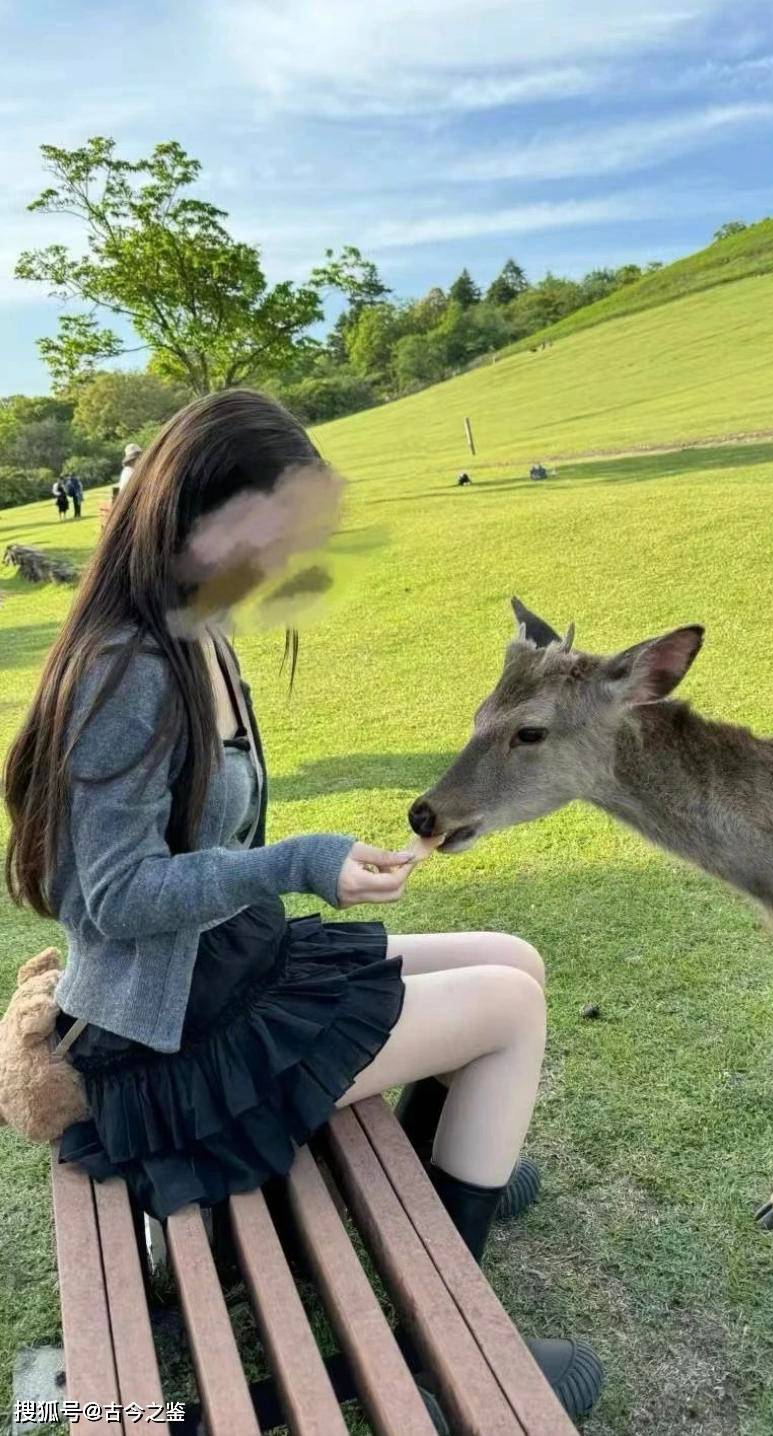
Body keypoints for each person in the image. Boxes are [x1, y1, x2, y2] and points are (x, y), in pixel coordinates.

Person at [2, 389, 601, 1421]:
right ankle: (439, 1345)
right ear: (190, 515)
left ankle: (443, 1172)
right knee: (510, 1011)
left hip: (233, 970)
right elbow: (115, 893)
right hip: (170, 1039)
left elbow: (208, 845)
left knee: (516, 955)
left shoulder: (202, 627)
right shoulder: (128, 669)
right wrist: (299, 861)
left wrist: (301, 870)